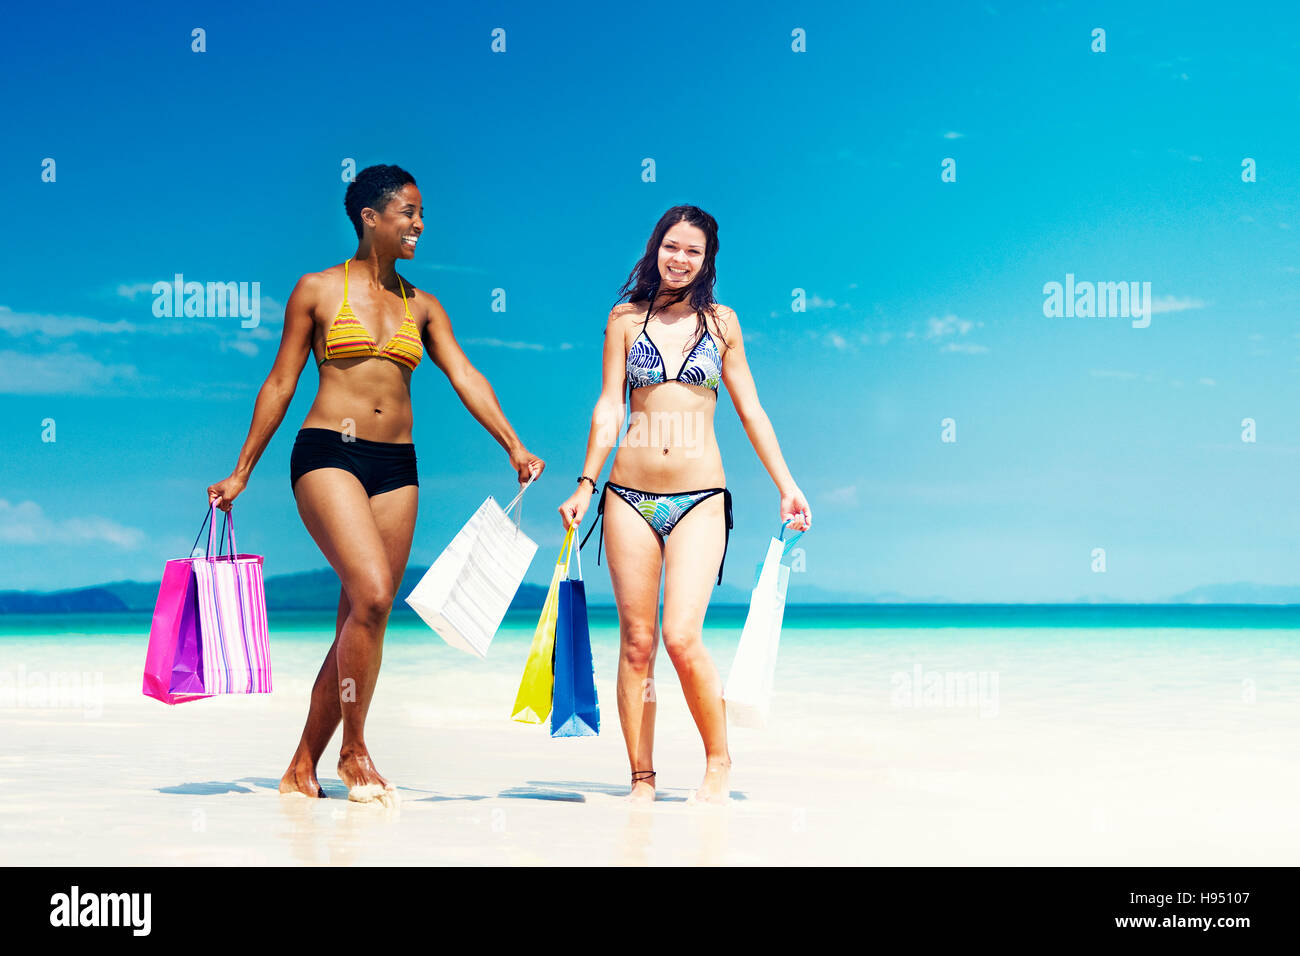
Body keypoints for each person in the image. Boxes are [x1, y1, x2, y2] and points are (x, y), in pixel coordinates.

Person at [207, 164, 545, 806]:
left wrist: (514, 445)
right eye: (409, 212)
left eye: (421, 214)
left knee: (365, 618)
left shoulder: (423, 305)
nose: (420, 224)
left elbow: (466, 375)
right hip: (327, 452)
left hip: (397, 467)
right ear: (371, 217)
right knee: (373, 591)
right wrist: (242, 470)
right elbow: (280, 383)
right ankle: (354, 752)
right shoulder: (316, 289)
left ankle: (301, 767)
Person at [557, 206, 811, 805]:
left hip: (700, 496)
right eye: (671, 246)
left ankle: (718, 760)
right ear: (656, 249)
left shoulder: (723, 324)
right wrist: (586, 484)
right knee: (637, 641)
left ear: (707, 259)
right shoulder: (623, 320)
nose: (679, 259)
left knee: (680, 636)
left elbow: (751, 409)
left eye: (692, 251)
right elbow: (609, 409)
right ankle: (641, 777)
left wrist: (787, 483)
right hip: (627, 496)